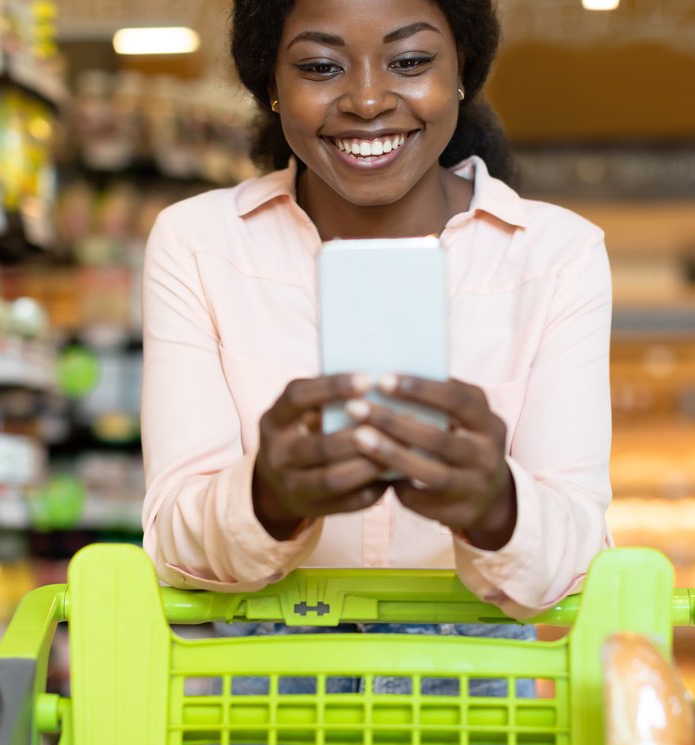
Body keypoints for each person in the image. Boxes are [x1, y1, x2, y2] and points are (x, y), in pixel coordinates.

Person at [141, 0, 613, 621]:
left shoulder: (557, 255)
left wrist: (499, 508)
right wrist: (265, 498)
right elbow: (171, 545)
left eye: (411, 61)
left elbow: (579, 560)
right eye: (319, 67)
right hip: (258, 697)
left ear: (462, 69)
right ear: (271, 86)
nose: (367, 100)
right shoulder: (198, 243)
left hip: (480, 698)